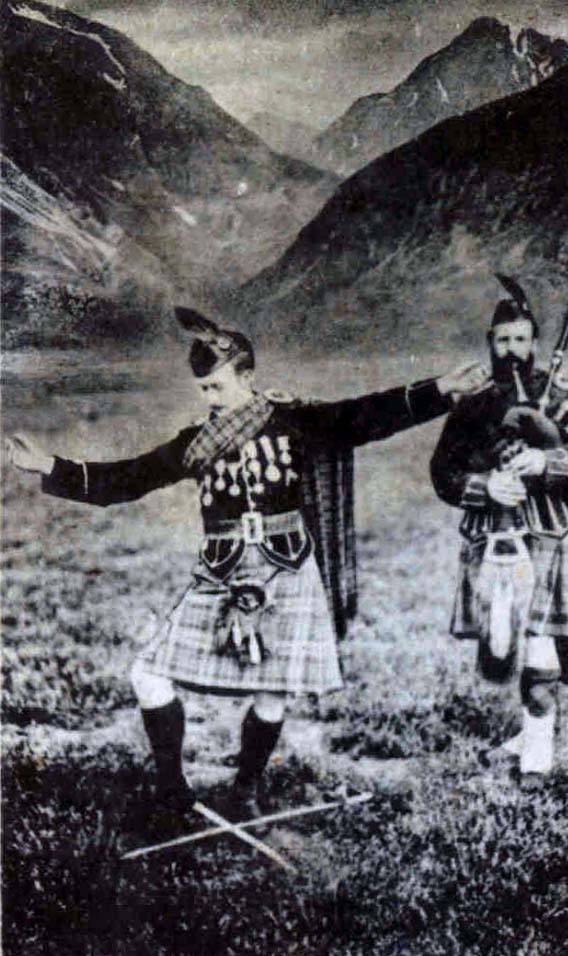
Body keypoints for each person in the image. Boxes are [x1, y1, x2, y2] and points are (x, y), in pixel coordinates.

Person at [8, 306, 487, 820]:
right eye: (204, 391)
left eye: (217, 387)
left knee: (273, 690)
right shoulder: (196, 441)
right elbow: (129, 478)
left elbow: (363, 417)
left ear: (247, 377)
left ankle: (246, 790)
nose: (211, 400)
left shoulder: (294, 420)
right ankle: (172, 791)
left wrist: (440, 390)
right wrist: (51, 466)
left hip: (285, 569)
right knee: (148, 674)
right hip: (220, 572)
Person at [429, 279, 568, 790]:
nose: (511, 351)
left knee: (540, 651)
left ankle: (537, 757)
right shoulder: (470, 408)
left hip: (551, 537)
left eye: (520, 340)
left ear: (535, 343)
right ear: (490, 343)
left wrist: (547, 460)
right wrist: (485, 485)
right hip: (492, 538)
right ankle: (530, 733)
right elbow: (442, 474)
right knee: (508, 644)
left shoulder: (565, 397)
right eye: (502, 340)